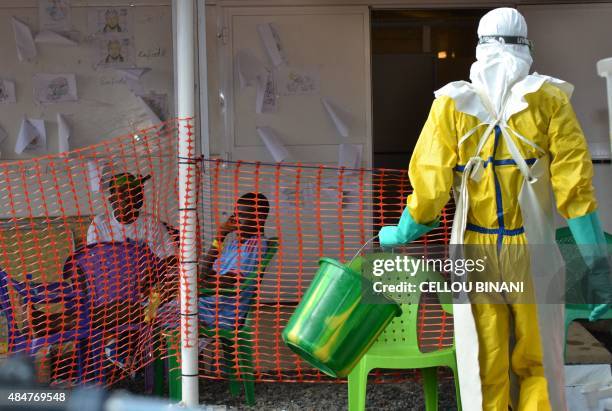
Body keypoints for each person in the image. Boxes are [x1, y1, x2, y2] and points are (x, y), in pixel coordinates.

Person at [378, 8, 610, 411]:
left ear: (480, 48)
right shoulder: (550, 99)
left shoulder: (452, 104)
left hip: (475, 249)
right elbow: (575, 191)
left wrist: (397, 234)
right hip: (533, 251)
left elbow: (429, 191)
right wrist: (598, 267)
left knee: (485, 359)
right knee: (538, 357)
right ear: (526, 46)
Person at [158, 192, 270, 333]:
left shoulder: (255, 245)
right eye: (234, 213)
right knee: (150, 308)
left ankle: (181, 353)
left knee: (152, 318)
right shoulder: (235, 244)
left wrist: (190, 285)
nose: (234, 219)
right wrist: (219, 238)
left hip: (219, 314)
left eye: (241, 215)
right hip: (205, 304)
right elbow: (206, 271)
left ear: (258, 218)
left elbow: (230, 281)